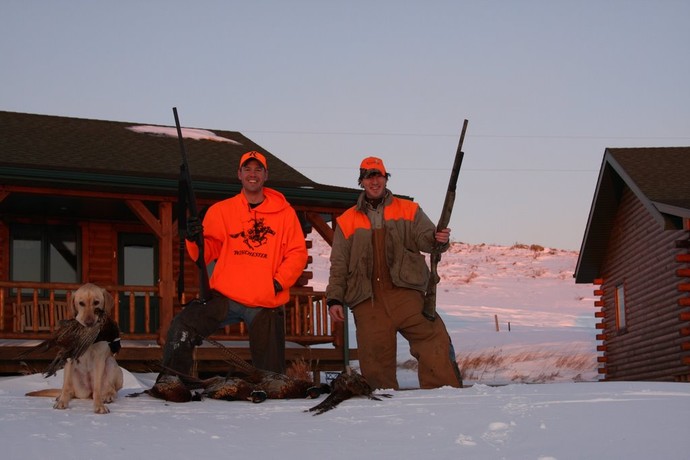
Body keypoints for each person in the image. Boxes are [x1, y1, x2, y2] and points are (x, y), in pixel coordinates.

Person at [158, 150, 308, 385]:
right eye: (247, 169)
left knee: (272, 378)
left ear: (266, 175)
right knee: (183, 324)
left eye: (258, 169)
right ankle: (172, 381)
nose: (252, 174)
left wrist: (277, 283)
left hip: (264, 299)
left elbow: (297, 253)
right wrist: (192, 237)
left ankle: (271, 391)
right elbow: (204, 255)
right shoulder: (221, 210)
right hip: (225, 295)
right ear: (239, 174)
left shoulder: (285, 214)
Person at [326, 156, 462, 390]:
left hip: (406, 294)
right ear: (361, 181)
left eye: (378, 175)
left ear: (386, 179)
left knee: (433, 338)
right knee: (375, 362)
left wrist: (437, 239)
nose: (374, 181)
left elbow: (427, 239)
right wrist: (335, 298)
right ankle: (383, 415)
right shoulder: (347, 220)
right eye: (369, 177)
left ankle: (444, 398)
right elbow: (339, 263)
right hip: (367, 301)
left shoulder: (409, 209)